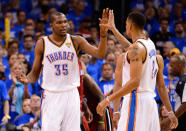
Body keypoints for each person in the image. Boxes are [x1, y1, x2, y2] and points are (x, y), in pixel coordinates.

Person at [19, 9, 109, 131]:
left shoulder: (76, 40)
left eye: (65, 22)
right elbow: (34, 73)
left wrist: (103, 34)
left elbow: (100, 54)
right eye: (59, 22)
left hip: (71, 94)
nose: (64, 25)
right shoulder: (43, 43)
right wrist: (27, 79)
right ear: (51, 25)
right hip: (51, 95)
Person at [96, 10, 178, 131]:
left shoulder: (136, 49)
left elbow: (135, 82)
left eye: (125, 25)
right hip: (150, 104)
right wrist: (171, 112)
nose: (126, 27)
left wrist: (107, 100)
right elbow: (160, 86)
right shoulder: (149, 45)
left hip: (136, 102)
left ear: (130, 25)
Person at [168, 54, 186, 131]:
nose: (169, 68)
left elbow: (185, 104)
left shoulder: (184, 80)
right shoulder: (182, 80)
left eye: (172, 66)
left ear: (179, 66)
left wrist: (174, 117)